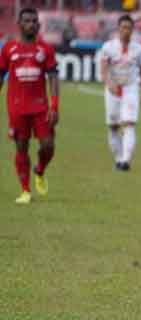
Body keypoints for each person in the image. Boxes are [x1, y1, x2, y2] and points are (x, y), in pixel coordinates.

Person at [0, 7, 59, 205]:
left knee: (48, 145)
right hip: (17, 108)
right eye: (27, 21)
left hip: (40, 106)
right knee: (21, 147)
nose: (31, 24)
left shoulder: (45, 50)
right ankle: (25, 190)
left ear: (39, 25)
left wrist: (55, 106)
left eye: (34, 21)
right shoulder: (8, 49)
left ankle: (40, 170)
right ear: (19, 24)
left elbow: (53, 77)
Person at [100, 14, 141, 172]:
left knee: (129, 124)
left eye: (129, 28)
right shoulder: (108, 47)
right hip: (113, 89)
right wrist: (109, 84)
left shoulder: (139, 49)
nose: (126, 31)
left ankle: (126, 161)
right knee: (113, 126)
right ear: (118, 29)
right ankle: (119, 159)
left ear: (133, 30)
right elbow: (104, 69)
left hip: (130, 88)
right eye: (123, 27)